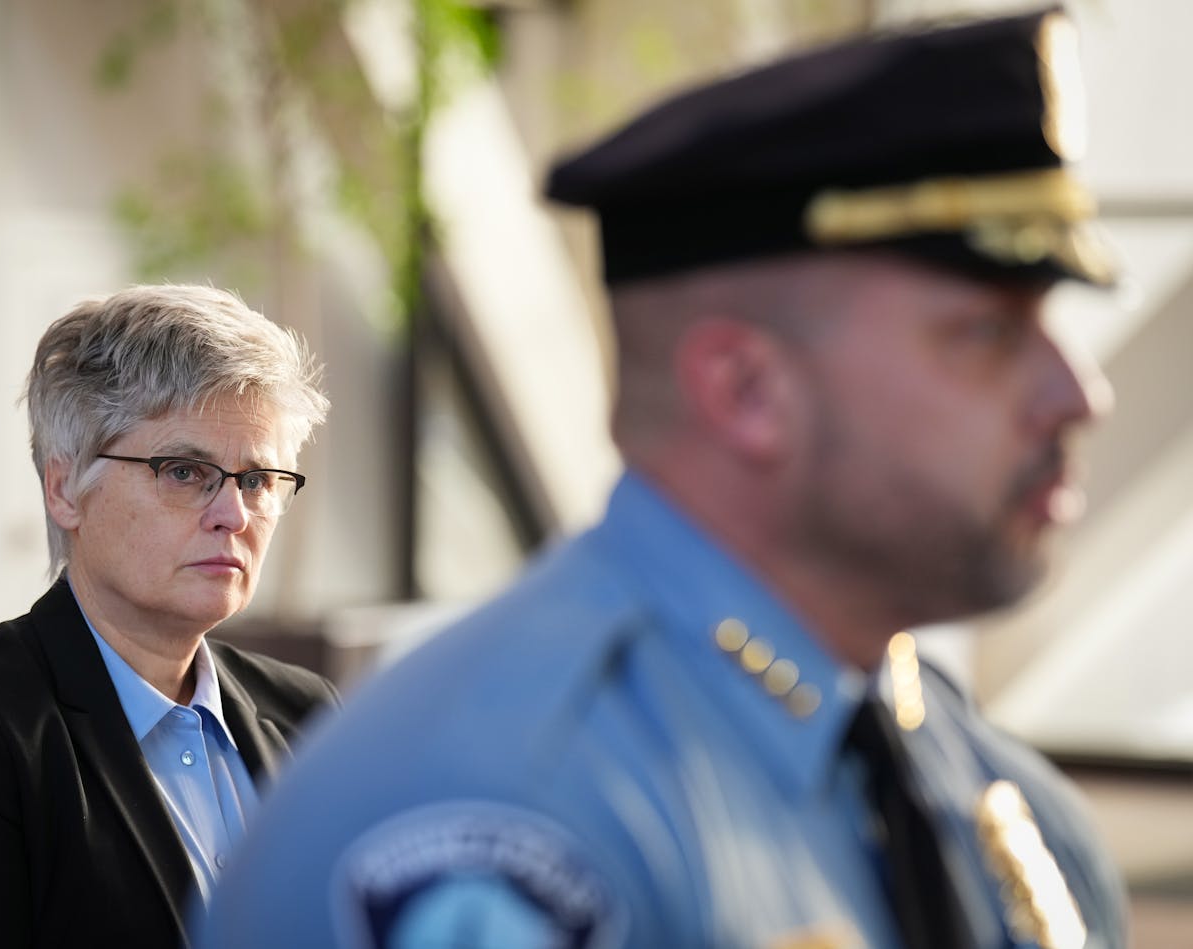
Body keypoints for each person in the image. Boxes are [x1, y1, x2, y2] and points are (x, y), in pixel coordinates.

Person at [197, 7, 1132, 949]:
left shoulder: (987, 793)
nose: (1078, 393)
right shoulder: (507, 815)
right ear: (746, 390)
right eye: (990, 334)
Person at [0, 284, 335, 948]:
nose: (234, 513)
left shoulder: (306, 715)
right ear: (64, 487)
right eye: (185, 471)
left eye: (258, 478)